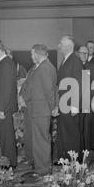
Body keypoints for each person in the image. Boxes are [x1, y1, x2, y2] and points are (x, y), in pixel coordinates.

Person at [20, 44, 57, 176]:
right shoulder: (39, 67)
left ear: (36, 53)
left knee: (41, 140)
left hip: (41, 110)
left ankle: (43, 169)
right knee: (36, 139)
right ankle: (37, 163)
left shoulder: (45, 68)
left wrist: (54, 108)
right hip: (34, 108)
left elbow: (49, 91)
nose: (31, 57)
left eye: (31, 54)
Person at [55, 35, 83, 159]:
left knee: (71, 134)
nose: (58, 46)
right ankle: (66, 159)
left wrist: (75, 106)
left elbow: (79, 83)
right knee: (64, 133)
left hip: (70, 104)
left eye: (61, 43)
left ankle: (74, 161)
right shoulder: (66, 59)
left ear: (69, 46)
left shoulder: (75, 61)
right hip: (64, 103)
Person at [78, 45, 94, 151]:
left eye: (86, 53)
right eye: (82, 53)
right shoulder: (75, 66)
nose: (84, 55)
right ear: (77, 54)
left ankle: (86, 150)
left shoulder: (93, 67)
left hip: (88, 102)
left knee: (87, 128)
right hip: (75, 102)